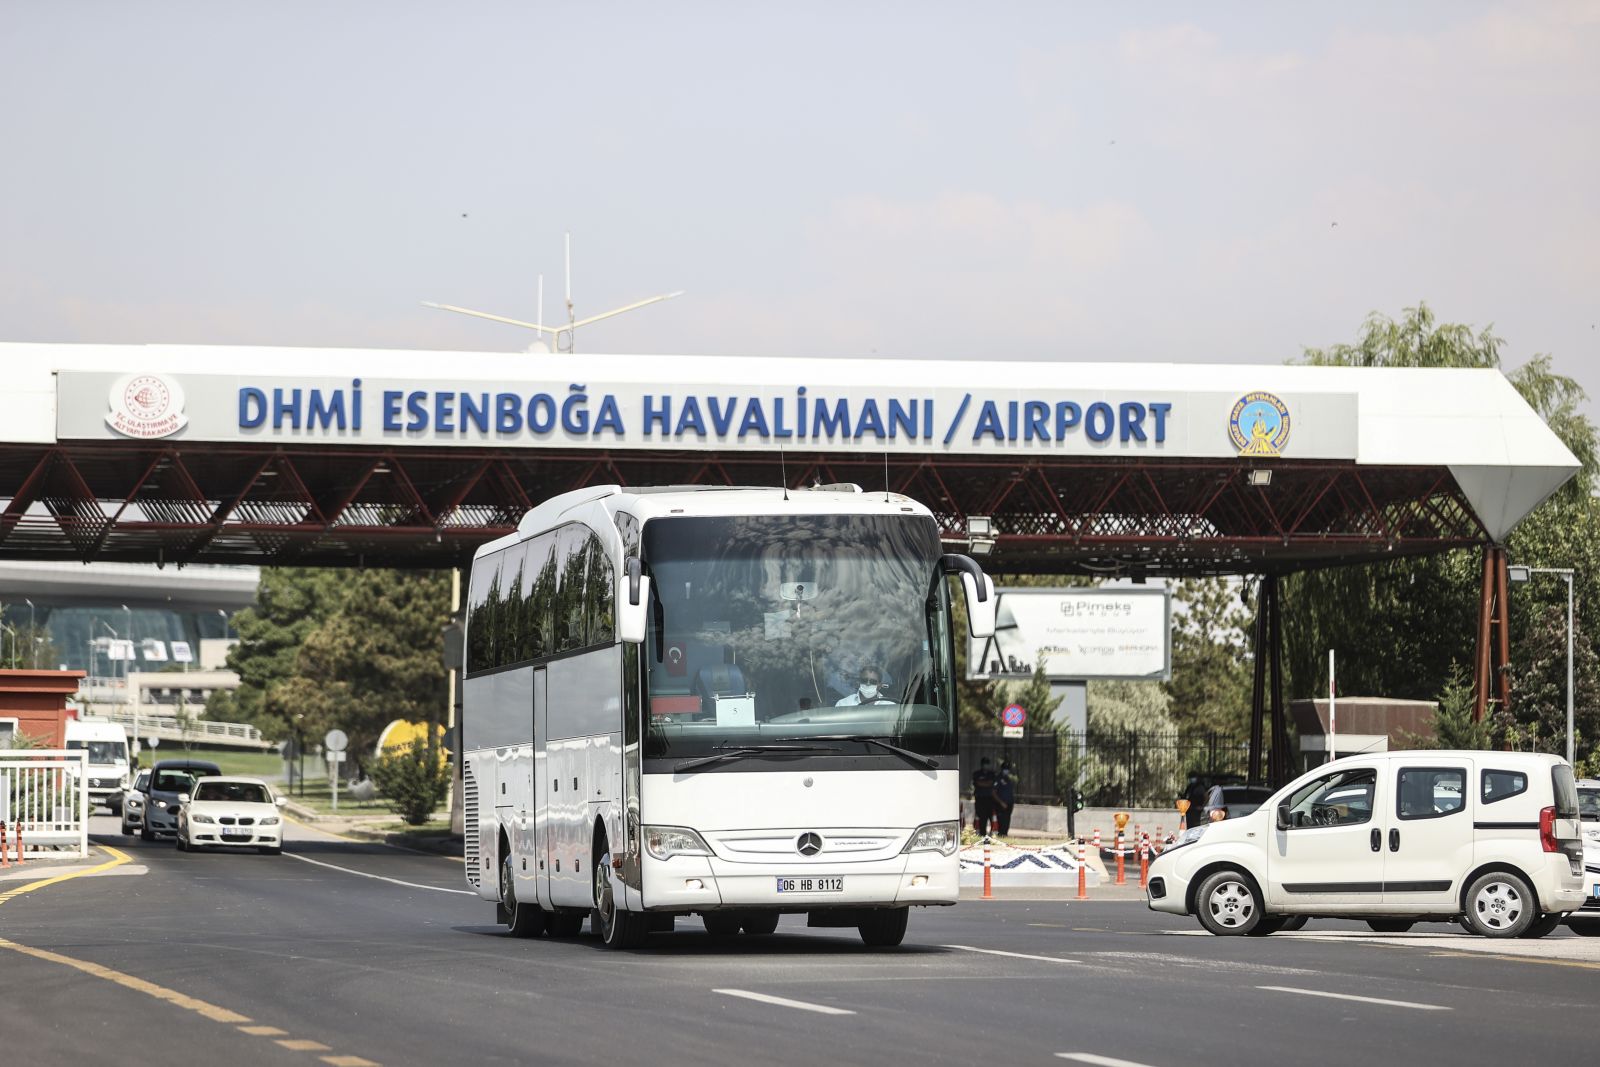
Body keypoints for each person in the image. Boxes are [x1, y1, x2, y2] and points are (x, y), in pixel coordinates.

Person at [970, 757, 997, 837]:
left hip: (989, 799)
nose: (986, 765)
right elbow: (977, 783)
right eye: (984, 763)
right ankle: (982, 834)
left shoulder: (991, 774)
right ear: (981, 764)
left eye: (987, 764)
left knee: (991, 817)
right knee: (982, 817)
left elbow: (991, 783)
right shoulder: (977, 773)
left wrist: (982, 783)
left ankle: (992, 834)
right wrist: (986, 783)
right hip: (980, 799)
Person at [993, 760, 1016, 835]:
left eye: (1008, 769)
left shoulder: (1008, 779)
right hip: (1001, 805)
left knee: (1006, 822)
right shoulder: (998, 778)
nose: (1007, 770)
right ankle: (1001, 835)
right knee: (1001, 823)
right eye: (1005, 768)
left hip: (1009, 804)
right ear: (1002, 769)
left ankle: (1005, 835)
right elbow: (993, 792)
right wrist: (1001, 802)